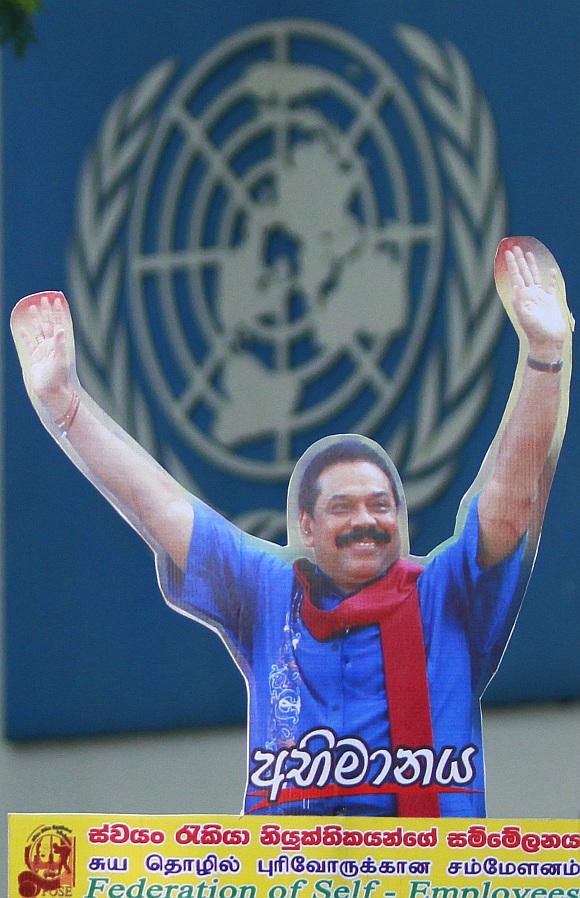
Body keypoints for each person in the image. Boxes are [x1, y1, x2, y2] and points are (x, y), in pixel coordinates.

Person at [12, 241, 572, 818]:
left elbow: (510, 503)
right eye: (343, 507)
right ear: (305, 523)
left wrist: (544, 357)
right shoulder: (269, 594)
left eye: (381, 506)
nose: (365, 522)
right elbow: (165, 510)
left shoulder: (447, 597)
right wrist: (67, 409)